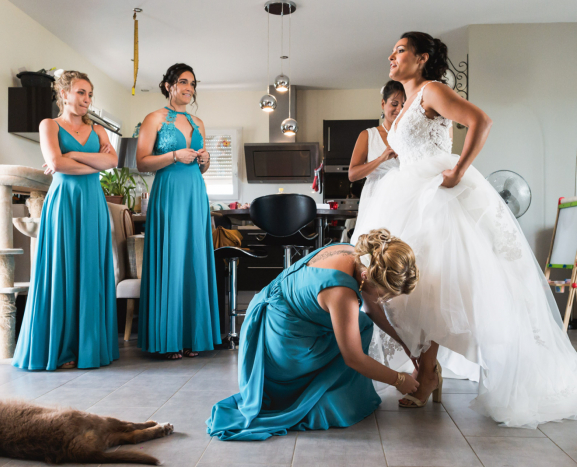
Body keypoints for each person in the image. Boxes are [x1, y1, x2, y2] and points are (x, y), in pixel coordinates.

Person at [352, 32, 577, 427]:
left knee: (432, 285)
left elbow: (480, 121)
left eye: (400, 49)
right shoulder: (406, 106)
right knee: (411, 288)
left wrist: (457, 171)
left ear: (421, 58)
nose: (391, 55)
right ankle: (427, 372)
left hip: (434, 198)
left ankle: (426, 374)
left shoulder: (431, 90)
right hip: (408, 194)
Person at [206, 230, 420, 440]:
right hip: (284, 348)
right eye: (384, 294)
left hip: (273, 322)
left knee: (361, 324)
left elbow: (372, 308)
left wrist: (405, 343)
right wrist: (399, 380)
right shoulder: (341, 293)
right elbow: (354, 358)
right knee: (356, 335)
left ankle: (335, 392)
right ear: (366, 276)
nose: (384, 299)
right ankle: (329, 399)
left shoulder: (356, 254)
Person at [350, 81, 479, 384]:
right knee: (375, 283)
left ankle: (426, 365)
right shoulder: (369, 135)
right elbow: (353, 173)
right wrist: (383, 157)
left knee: (420, 281)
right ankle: (414, 360)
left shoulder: (421, 112)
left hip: (414, 201)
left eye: (401, 102)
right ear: (382, 105)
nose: (396, 108)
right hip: (380, 202)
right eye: (391, 103)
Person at [12, 71, 119, 371]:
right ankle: (61, 348)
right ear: (64, 94)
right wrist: (84, 161)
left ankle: (88, 347)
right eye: (81, 93)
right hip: (63, 203)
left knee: (90, 270)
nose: (87, 100)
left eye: (89, 95)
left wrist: (71, 155)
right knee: (61, 269)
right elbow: (56, 164)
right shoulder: (49, 125)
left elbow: (111, 162)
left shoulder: (97, 130)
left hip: (92, 204)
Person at [135, 63, 221, 360]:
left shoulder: (198, 122)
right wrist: (173, 155)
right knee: (171, 258)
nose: (189, 88)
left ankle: (192, 337)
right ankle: (168, 338)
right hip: (169, 193)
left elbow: (201, 167)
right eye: (183, 82)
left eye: (193, 84)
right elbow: (142, 163)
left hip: (195, 194)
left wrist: (205, 160)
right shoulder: (154, 119)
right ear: (169, 85)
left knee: (194, 258)